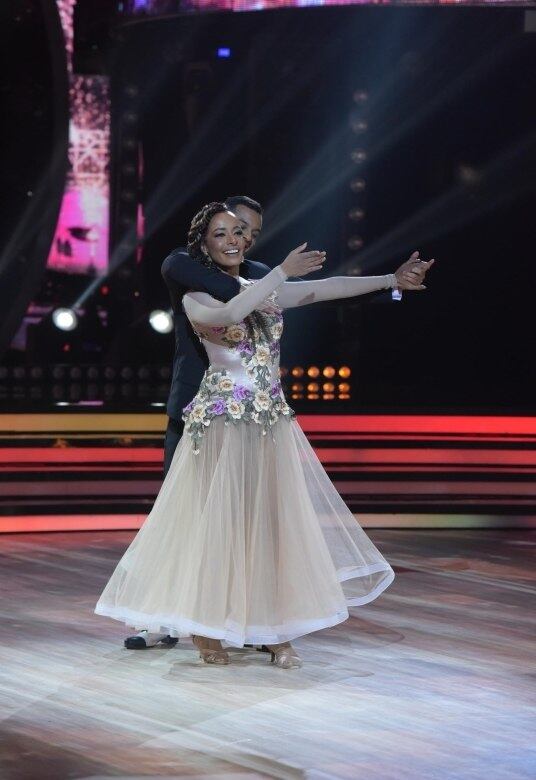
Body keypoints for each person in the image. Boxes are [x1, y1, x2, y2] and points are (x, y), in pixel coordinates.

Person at [95, 202, 433, 668]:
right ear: (203, 246)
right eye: (221, 234)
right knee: (218, 527)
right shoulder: (196, 296)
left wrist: (390, 280)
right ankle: (205, 627)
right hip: (220, 422)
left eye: (238, 232)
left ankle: (274, 631)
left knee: (270, 527)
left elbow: (324, 288)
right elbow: (234, 310)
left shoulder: (262, 285)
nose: (234, 240)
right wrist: (279, 275)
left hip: (269, 421)